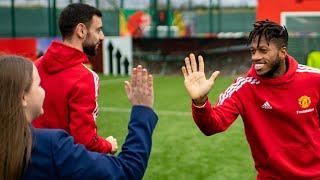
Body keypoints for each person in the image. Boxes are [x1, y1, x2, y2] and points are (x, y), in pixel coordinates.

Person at [181, 20, 320, 179]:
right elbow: (212, 125)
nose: (255, 57)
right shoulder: (243, 88)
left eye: (263, 50)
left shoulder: (314, 79)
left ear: (282, 52)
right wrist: (200, 102)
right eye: (253, 51)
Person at [0, 55, 157, 179]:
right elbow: (126, 170)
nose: (43, 91)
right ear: (23, 97)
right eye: (39, 85)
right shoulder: (50, 146)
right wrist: (142, 109)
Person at [32, 3, 117, 154]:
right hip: (62, 166)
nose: (102, 37)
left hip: (29, 165)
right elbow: (85, 141)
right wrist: (109, 145)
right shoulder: (86, 77)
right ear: (81, 30)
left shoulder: (33, 67)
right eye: (98, 30)